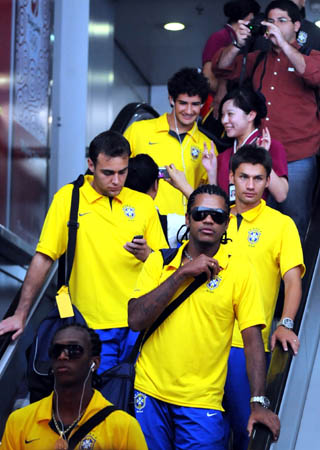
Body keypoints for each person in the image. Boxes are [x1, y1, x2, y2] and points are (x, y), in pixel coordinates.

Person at [0, 130, 168, 372]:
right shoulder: (69, 198)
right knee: (95, 402)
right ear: (91, 165)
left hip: (138, 325)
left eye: (123, 172)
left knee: (132, 402)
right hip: (89, 325)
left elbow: (164, 264)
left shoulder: (143, 204)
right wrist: (20, 314)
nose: (116, 181)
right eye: (108, 173)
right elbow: (44, 257)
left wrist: (148, 254)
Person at [128, 184, 280, 450]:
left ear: (227, 223)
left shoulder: (240, 271)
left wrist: (257, 403)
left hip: (202, 403)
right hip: (149, 393)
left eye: (217, 216)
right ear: (188, 218)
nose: (208, 220)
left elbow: (253, 340)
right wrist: (181, 274)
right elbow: (135, 319)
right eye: (200, 214)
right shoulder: (160, 262)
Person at [212, 0, 320, 239]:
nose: (275, 26)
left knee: (295, 220)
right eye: (271, 21)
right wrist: (236, 44)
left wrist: (283, 43)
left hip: (298, 155)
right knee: (259, 220)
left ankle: (293, 276)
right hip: (262, 153)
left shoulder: (310, 55)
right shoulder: (259, 58)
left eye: (282, 21)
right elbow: (221, 67)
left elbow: (313, 74)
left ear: (297, 26)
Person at [223, 145, 304, 450]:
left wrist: (285, 322)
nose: (250, 185)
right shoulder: (214, 219)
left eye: (258, 178)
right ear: (231, 177)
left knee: (247, 432)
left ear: (268, 180)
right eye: (244, 176)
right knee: (205, 432)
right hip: (203, 341)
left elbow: (293, 281)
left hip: (247, 345)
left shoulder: (281, 225)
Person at [0, 324, 148, 449]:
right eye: (56, 350)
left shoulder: (123, 427)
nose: (63, 356)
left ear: (94, 363)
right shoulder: (19, 421)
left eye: (73, 350)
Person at [124, 67, 216, 216]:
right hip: (140, 220)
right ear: (171, 99)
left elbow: (210, 197)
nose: (188, 110)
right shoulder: (138, 130)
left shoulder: (206, 146)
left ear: (202, 104)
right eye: (183, 103)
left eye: (195, 104)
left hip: (184, 229)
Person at [217, 85, 288, 204]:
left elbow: (281, 195)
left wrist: (263, 155)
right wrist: (211, 171)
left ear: (251, 115)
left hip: (260, 220)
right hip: (230, 220)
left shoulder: (273, 147)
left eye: (230, 114)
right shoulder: (223, 156)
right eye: (222, 115)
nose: (224, 120)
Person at [201, 0, 261, 122]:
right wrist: (225, 89)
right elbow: (208, 78)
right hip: (220, 108)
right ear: (249, 16)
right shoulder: (220, 37)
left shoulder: (251, 40)